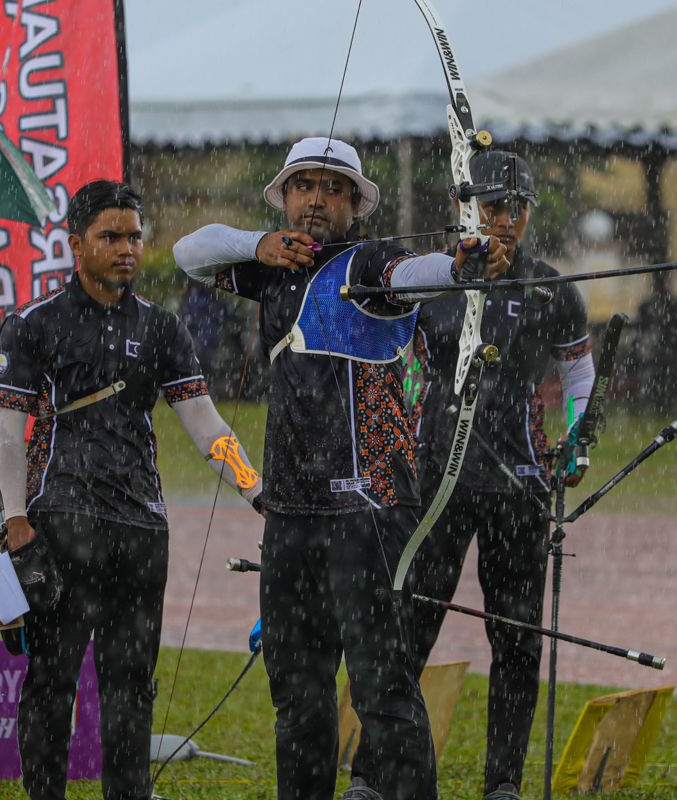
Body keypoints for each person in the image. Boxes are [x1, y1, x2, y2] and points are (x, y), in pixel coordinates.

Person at [173, 137, 509, 800]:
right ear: (286, 197)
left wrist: (465, 262)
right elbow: (189, 252)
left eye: (332, 188)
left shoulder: (373, 260)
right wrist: (258, 242)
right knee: (297, 692)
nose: (315, 200)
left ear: (356, 204)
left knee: (382, 687)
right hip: (291, 512)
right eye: (303, 186)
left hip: (370, 509)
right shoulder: (271, 267)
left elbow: (419, 274)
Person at [0, 180, 264, 800]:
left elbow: (205, 424)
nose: (126, 248)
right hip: (59, 524)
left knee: (132, 686)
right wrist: (15, 522)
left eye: (134, 236)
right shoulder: (33, 324)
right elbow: (6, 434)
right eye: (110, 236)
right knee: (52, 681)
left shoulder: (163, 328)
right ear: (75, 243)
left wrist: (256, 489)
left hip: (142, 530)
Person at [397, 151, 593, 800]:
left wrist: (578, 437)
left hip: (520, 483)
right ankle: (379, 773)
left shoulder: (549, 289)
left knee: (515, 637)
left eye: (517, 208)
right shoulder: (434, 282)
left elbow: (578, 373)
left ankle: (503, 782)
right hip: (437, 482)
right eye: (490, 207)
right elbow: (390, 366)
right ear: (465, 209)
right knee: (411, 624)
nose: (505, 220)